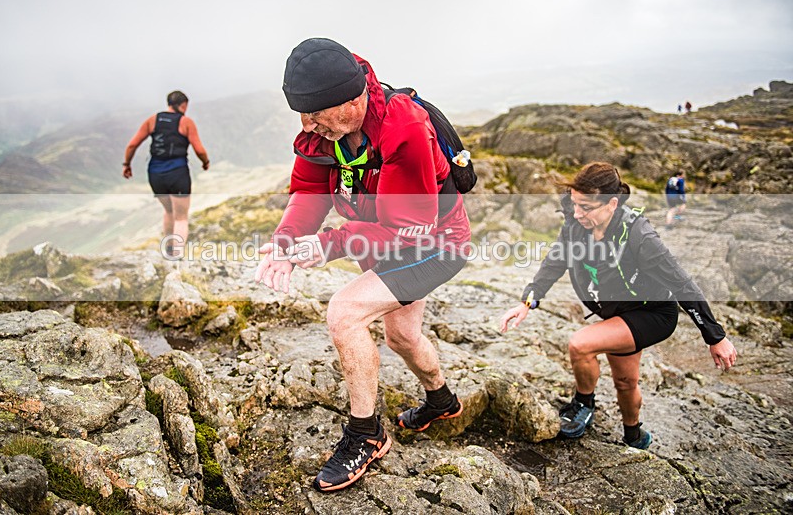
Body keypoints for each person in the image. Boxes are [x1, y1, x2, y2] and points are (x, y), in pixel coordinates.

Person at [255, 38, 471, 492]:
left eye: (316, 114)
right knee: (403, 336)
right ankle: (442, 401)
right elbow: (310, 191)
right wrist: (285, 243)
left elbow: (409, 227)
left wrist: (332, 244)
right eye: (302, 114)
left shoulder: (404, 127)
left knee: (345, 312)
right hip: (380, 242)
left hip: (433, 243)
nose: (308, 125)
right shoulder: (324, 132)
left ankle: (366, 435)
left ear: (353, 101)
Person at [500, 162, 736, 449]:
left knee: (581, 344)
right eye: (574, 204)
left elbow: (681, 283)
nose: (577, 213)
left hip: (651, 312)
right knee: (625, 382)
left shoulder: (638, 234)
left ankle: (583, 405)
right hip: (617, 311)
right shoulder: (576, 224)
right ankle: (634, 436)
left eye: (586, 207)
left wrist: (715, 335)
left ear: (613, 203)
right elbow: (556, 260)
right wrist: (529, 300)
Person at [123, 91, 210, 257]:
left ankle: (168, 249)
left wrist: (127, 164)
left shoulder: (152, 120)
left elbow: (132, 145)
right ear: (183, 105)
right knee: (181, 217)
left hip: (155, 173)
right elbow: (199, 149)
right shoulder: (186, 122)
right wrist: (205, 162)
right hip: (177, 173)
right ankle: (176, 255)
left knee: (169, 212)